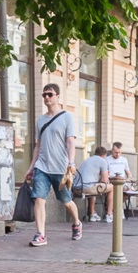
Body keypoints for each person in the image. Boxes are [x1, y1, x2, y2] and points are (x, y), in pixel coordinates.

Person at [24, 83, 82, 247]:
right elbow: (38, 145)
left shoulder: (67, 117)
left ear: (57, 96)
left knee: (66, 202)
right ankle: (41, 234)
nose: (47, 98)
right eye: (44, 95)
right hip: (42, 166)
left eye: (50, 94)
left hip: (61, 168)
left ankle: (77, 223)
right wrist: (31, 168)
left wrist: (71, 163)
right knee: (39, 199)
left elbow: (70, 142)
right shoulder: (41, 120)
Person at [78, 145, 110, 222]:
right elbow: (105, 181)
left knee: (94, 186)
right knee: (112, 187)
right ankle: (109, 214)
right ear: (104, 155)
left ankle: (92, 214)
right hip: (87, 188)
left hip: (77, 188)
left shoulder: (87, 160)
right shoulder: (103, 161)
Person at [103, 142, 131, 222]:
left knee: (129, 189)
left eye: (119, 152)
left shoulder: (124, 160)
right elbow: (105, 173)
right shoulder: (107, 160)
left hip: (122, 182)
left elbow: (129, 173)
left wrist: (129, 178)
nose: (118, 154)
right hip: (111, 182)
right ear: (112, 150)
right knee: (113, 190)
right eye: (116, 152)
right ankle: (112, 213)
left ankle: (117, 207)